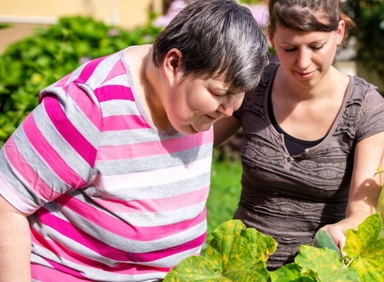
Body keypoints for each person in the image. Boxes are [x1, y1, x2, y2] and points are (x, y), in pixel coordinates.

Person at [0, 0, 268, 280]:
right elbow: (6, 204)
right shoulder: (89, 107)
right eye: (218, 92)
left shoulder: (190, 104)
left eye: (238, 94)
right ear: (174, 63)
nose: (228, 110)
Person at [214, 0, 384, 270]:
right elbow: (194, 142)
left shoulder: (367, 110)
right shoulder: (253, 87)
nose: (303, 62)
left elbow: (362, 213)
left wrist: (344, 229)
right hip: (242, 268)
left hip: (315, 273)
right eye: (289, 48)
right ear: (272, 38)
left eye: (316, 46)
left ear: (340, 33)